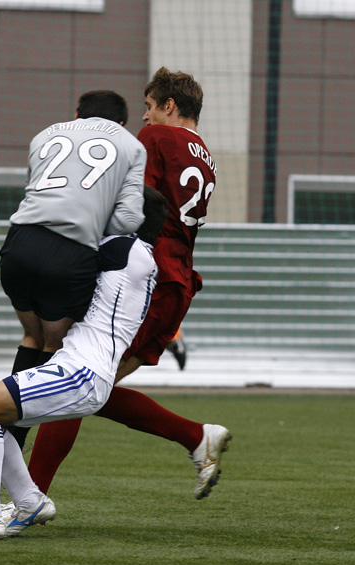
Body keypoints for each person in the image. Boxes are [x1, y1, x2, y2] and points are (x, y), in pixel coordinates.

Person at [26, 68, 229, 501]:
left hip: (145, 278)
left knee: (74, 381)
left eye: (150, 107)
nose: (145, 117)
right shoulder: (205, 155)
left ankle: (29, 498)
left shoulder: (156, 138)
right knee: (88, 386)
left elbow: (134, 205)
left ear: (169, 105)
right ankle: (196, 437)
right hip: (178, 282)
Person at [0, 187, 169, 540]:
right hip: (83, 369)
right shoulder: (135, 254)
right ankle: (30, 502)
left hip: (81, 372)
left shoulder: (124, 248)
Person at [0, 90, 146, 383]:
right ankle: (20, 415)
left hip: (20, 242)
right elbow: (129, 219)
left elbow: (32, 189)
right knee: (55, 344)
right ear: (121, 123)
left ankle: (5, 412)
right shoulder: (131, 145)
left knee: (31, 337)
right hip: (70, 253)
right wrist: (97, 221)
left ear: (77, 114)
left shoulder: (45, 134)